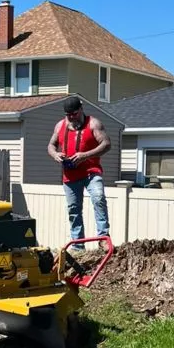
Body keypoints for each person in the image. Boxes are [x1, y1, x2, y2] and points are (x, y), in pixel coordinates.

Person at [47, 95, 111, 251]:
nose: (71, 118)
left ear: (81, 109)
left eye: (74, 114)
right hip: (70, 175)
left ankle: (103, 238)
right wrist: (56, 155)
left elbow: (107, 144)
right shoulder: (60, 126)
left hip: (91, 172)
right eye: (68, 115)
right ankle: (78, 245)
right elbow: (51, 145)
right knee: (74, 209)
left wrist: (85, 155)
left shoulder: (93, 124)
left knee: (98, 198)